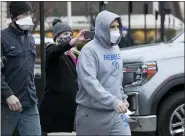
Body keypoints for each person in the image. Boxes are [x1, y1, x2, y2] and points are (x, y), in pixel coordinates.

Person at [75, 10, 131, 135]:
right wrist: (113, 101)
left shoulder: (116, 48)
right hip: (92, 115)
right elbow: (89, 82)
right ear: (101, 28)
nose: (116, 30)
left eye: (117, 27)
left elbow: (116, 77)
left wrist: (122, 98)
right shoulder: (89, 51)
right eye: (112, 27)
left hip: (116, 114)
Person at [1, 2, 41, 136]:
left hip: (29, 103)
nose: (28, 17)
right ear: (13, 16)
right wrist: (8, 95)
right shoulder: (2, 38)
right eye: (24, 14)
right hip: (6, 105)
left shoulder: (30, 38)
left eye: (29, 14)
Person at [39, 19, 87, 133]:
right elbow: (55, 51)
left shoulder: (72, 55)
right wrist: (73, 41)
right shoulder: (52, 51)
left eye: (71, 34)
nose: (69, 36)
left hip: (71, 107)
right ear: (56, 36)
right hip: (56, 110)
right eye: (65, 34)